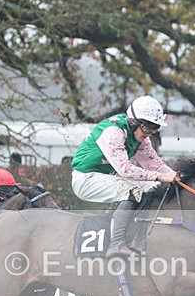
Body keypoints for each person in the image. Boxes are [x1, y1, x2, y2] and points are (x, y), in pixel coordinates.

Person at [71, 95, 178, 258]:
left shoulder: (140, 136)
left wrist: (176, 177)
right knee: (132, 190)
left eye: (153, 129)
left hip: (105, 177)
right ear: (134, 121)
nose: (149, 133)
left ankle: (138, 238)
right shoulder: (113, 132)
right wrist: (160, 177)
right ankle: (116, 244)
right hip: (85, 179)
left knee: (153, 187)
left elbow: (154, 164)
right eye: (146, 128)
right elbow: (125, 170)